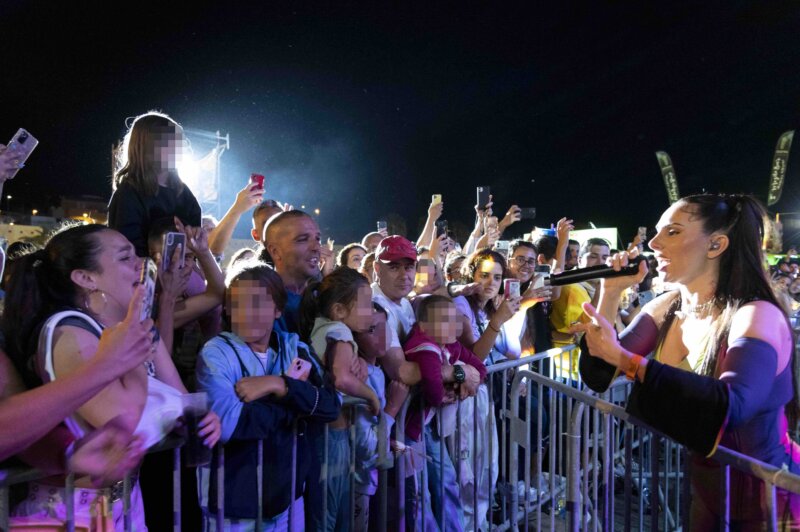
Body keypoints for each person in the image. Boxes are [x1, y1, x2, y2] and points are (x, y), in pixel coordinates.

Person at [576, 193, 800, 529]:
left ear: (716, 245)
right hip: (708, 497)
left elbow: (731, 407)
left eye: (673, 232)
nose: (653, 243)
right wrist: (610, 292)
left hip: (775, 502)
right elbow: (598, 374)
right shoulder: (668, 306)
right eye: (657, 232)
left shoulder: (756, 315)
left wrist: (629, 361)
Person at [3, 223, 221, 527]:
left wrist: (191, 419)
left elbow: (183, 399)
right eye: (124, 258)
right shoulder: (68, 331)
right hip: (69, 513)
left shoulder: (125, 329)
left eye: (139, 257)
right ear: (85, 277)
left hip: (125, 503)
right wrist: (135, 335)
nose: (141, 266)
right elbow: (124, 419)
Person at [196, 261, 339, 530]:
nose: (248, 313)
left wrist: (278, 384)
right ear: (227, 308)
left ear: (277, 310)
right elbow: (231, 425)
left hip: (287, 496)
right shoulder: (216, 352)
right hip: (235, 501)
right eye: (238, 303)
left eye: (259, 303)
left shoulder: (292, 346)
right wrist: (293, 398)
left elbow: (330, 407)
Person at [300, 266, 382, 531]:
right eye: (366, 305)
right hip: (331, 437)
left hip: (327, 435)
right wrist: (370, 395)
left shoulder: (325, 328)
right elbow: (341, 379)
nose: (371, 311)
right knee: (329, 513)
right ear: (338, 310)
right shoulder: (339, 331)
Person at [402, 295, 486, 531]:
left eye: (454, 320)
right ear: (424, 326)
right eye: (444, 321)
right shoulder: (425, 347)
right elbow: (432, 387)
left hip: (428, 427)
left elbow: (479, 367)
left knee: (447, 481)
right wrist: (448, 393)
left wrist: (469, 382)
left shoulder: (449, 344)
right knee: (420, 494)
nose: (453, 327)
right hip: (410, 431)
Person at [108, 111, 202, 256]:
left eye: (180, 142)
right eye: (170, 142)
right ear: (146, 147)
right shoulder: (128, 195)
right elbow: (127, 249)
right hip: (144, 275)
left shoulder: (184, 193)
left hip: (185, 274)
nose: (179, 149)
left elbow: (196, 240)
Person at [351, 303, 409, 531]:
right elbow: (365, 445)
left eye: (386, 327)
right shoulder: (360, 376)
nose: (384, 335)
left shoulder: (376, 370)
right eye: (372, 330)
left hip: (369, 478)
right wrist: (392, 409)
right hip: (358, 480)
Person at [550, 236, 608, 380]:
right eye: (593, 257)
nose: (601, 262)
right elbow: (578, 329)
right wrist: (602, 292)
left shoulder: (594, 287)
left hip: (586, 368)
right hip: (570, 373)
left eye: (605, 257)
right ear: (580, 260)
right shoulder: (571, 288)